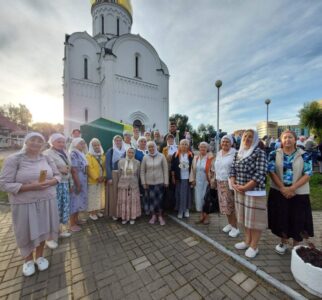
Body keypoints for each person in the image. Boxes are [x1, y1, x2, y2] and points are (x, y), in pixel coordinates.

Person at [0, 132, 60, 277]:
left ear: (43, 144)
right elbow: (4, 184)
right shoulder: (14, 159)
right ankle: (27, 260)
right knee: (25, 231)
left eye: (39, 141)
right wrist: (29, 187)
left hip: (47, 201)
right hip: (24, 203)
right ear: (26, 142)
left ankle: (39, 256)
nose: (36, 143)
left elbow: (57, 175)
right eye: (32, 140)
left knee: (43, 228)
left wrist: (50, 182)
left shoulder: (46, 158)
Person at [267, 131, 314, 254]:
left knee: (298, 218)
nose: (287, 140)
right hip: (279, 192)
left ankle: (296, 245)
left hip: (299, 193)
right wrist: (283, 188)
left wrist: (292, 188)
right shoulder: (273, 153)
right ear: (281, 140)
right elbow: (271, 172)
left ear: (295, 139)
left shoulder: (305, 154)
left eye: (290, 137)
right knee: (282, 217)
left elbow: (308, 173)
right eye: (285, 137)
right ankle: (283, 242)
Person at [229, 129, 267, 258]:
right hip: (240, 190)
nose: (247, 139)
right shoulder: (238, 153)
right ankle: (247, 241)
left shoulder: (259, 152)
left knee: (254, 221)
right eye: (245, 136)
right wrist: (233, 183)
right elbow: (232, 169)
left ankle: (254, 246)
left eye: (250, 137)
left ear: (255, 139)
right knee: (245, 219)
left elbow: (260, 174)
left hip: (254, 192)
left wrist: (245, 187)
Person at [44, 133, 72, 250]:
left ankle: (59, 231)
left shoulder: (64, 152)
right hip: (54, 185)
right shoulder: (46, 154)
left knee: (62, 209)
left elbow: (68, 167)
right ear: (52, 142)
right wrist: (59, 170)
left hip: (64, 183)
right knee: (52, 210)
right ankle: (49, 238)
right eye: (58, 141)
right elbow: (43, 171)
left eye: (62, 141)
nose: (61, 144)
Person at [213, 135, 239, 237]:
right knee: (224, 206)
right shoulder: (219, 153)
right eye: (223, 141)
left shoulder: (235, 154)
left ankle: (235, 228)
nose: (224, 143)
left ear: (231, 143)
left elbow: (237, 169)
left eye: (227, 142)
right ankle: (230, 224)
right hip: (220, 182)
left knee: (230, 206)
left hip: (229, 183)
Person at [141, 141, 168, 225]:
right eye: (149, 147)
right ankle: (153, 216)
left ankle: (160, 216)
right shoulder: (145, 157)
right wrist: (144, 182)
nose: (151, 148)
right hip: (149, 183)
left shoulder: (161, 156)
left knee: (159, 200)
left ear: (156, 147)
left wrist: (166, 181)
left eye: (152, 147)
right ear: (147, 148)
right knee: (151, 200)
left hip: (160, 182)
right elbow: (142, 171)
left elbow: (165, 169)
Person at [117, 148, 141, 224]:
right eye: (129, 152)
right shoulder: (121, 161)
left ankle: (132, 217)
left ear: (134, 154)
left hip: (133, 185)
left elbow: (138, 174)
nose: (130, 154)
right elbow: (119, 173)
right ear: (126, 153)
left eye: (132, 152)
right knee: (124, 201)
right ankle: (124, 217)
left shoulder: (137, 162)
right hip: (123, 185)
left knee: (132, 201)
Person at [171, 139, 194, 219]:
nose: (184, 146)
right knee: (179, 195)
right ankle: (180, 210)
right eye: (182, 144)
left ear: (188, 146)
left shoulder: (191, 155)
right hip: (179, 178)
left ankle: (186, 210)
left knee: (187, 194)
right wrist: (173, 177)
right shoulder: (176, 154)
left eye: (186, 144)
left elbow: (193, 167)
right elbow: (173, 167)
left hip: (187, 178)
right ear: (179, 146)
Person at [69, 138, 88, 232]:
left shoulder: (81, 153)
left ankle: (76, 220)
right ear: (75, 144)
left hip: (82, 178)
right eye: (80, 143)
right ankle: (72, 224)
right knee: (74, 201)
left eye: (83, 143)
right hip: (77, 179)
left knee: (79, 200)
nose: (83, 145)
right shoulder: (73, 154)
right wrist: (78, 183)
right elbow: (74, 170)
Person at [105, 135, 126, 219]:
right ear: (114, 142)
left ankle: (121, 212)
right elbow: (107, 165)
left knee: (122, 194)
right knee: (114, 195)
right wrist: (110, 177)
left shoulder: (125, 151)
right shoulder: (110, 151)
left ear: (122, 141)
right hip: (113, 175)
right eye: (116, 140)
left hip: (123, 175)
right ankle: (114, 213)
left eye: (119, 140)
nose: (118, 142)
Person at [190, 142, 213, 212]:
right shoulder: (195, 158)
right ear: (199, 148)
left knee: (205, 197)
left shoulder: (210, 158)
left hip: (206, 181)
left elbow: (212, 170)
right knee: (197, 197)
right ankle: (200, 213)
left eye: (204, 147)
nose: (203, 148)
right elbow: (192, 169)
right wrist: (192, 179)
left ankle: (205, 214)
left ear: (207, 149)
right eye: (201, 147)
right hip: (197, 180)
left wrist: (212, 181)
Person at [86, 138, 106, 221]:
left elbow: (105, 167)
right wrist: (97, 177)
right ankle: (92, 213)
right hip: (93, 180)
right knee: (93, 196)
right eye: (94, 145)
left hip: (102, 180)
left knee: (100, 196)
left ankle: (97, 211)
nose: (97, 146)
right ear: (91, 146)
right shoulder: (88, 156)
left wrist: (104, 176)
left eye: (98, 144)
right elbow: (89, 168)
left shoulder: (102, 155)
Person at [162, 134, 178, 210]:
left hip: (175, 169)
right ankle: (167, 205)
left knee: (174, 187)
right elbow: (162, 159)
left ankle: (174, 205)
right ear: (167, 140)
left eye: (171, 139)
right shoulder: (165, 149)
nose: (170, 140)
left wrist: (173, 158)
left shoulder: (177, 148)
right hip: (167, 169)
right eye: (169, 139)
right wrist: (166, 158)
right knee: (167, 187)